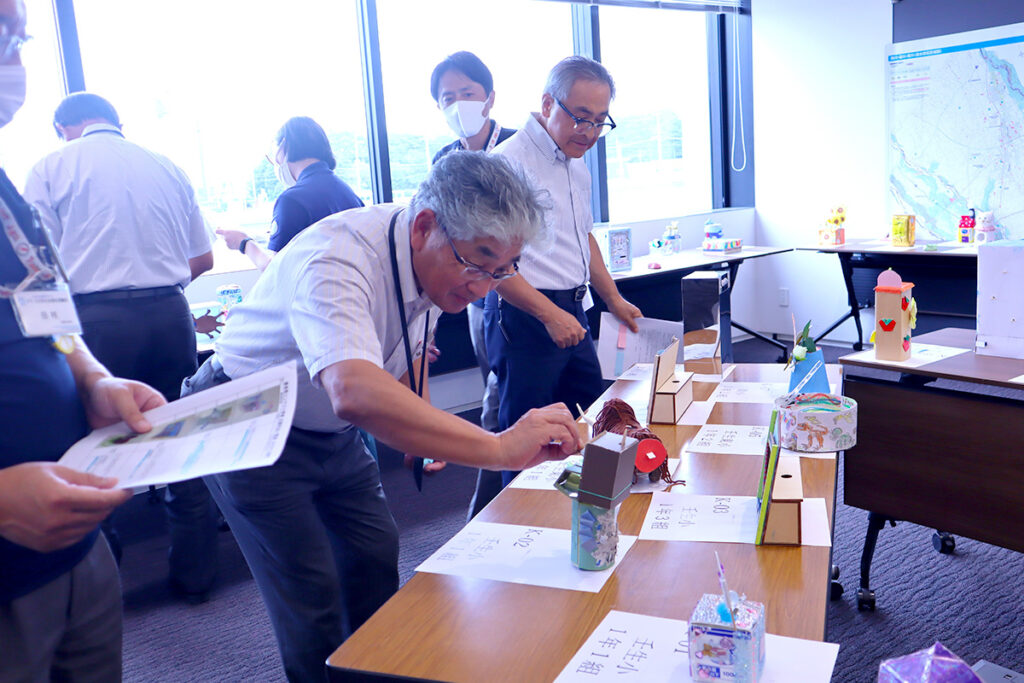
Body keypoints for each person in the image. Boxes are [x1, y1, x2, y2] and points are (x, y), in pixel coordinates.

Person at [180, 150, 582, 683]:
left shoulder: (439, 253)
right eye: (478, 264)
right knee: (309, 592)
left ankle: (375, 672)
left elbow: (410, 345)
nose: (485, 287)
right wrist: (498, 447)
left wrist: (421, 424)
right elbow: (352, 389)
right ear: (424, 227)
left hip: (331, 427)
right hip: (248, 418)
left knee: (373, 555)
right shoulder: (338, 256)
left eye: (503, 270)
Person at [0, 2, 165, 677]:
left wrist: (92, 376)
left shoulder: (7, 190)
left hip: (75, 550)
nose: (12, 62)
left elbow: (53, 320)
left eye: (18, 39)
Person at [23, 92, 219, 603]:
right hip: (171, 314)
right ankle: (196, 578)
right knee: (179, 442)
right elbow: (203, 258)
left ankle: (105, 589)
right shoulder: (168, 166)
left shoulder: (51, 166)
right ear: (116, 122)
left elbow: (37, 269)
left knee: (99, 451)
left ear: (63, 127)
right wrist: (158, 280)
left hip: (96, 323)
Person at [487, 56, 642, 485]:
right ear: (547, 104)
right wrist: (549, 314)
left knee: (595, 420)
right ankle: (519, 521)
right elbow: (491, 265)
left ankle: (594, 509)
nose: (589, 132)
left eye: (600, 121)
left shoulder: (576, 162)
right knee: (527, 442)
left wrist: (613, 298)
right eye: (580, 117)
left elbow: (582, 237)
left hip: (574, 308)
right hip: (526, 316)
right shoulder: (507, 164)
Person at [430, 51, 517, 518]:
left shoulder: (517, 148)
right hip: (475, 299)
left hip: (520, 292)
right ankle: (496, 502)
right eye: (448, 98)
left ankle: (486, 510)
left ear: (489, 98)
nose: (458, 104)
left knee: (503, 395)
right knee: (494, 385)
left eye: (467, 93)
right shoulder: (444, 161)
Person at [217, 116, 363, 271]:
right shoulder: (348, 193)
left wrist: (243, 242)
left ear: (283, 147)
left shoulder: (292, 200)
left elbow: (273, 269)